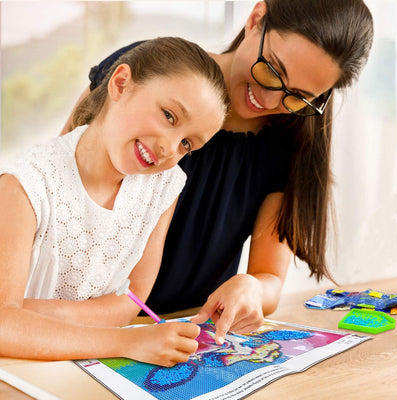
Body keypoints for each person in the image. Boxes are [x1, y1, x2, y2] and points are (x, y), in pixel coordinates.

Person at [62, 0, 374, 346]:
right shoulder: (151, 72)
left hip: (184, 341)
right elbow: (53, 186)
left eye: (298, 96)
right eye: (272, 70)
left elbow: (268, 276)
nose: (269, 100)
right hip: (81, 325)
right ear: (257, 19)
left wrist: (252, 287)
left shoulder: (287, 141)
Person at [0, 37, 229, 366]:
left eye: (187, 145)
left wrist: (31, 315)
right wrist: (125, 339)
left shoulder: (163, 186)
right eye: (168, 115)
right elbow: (4, 325)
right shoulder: (25, 185)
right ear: (121, 84)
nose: (169, 148)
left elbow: (132, 298)